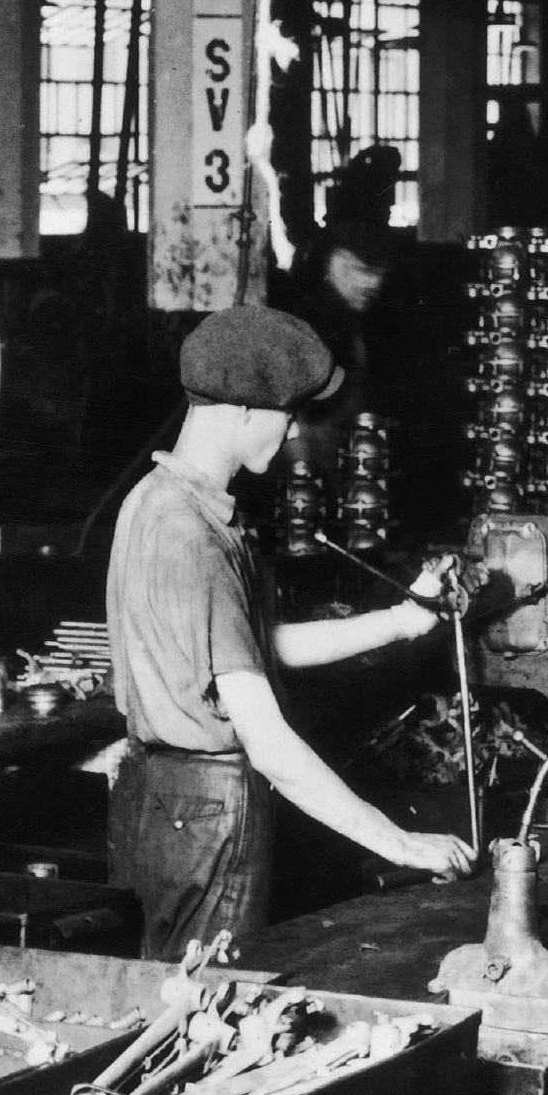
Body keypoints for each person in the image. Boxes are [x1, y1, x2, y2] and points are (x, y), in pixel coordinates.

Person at [104, 304, 473, 956]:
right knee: (206, 1011)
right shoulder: (196, 538)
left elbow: (255, 648)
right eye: (288, 411)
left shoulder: (155, 503)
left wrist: (400, 621)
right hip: (210, 805)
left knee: (165, 1004)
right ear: (245, 409)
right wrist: (400, 842)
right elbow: (268, 741)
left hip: (159, 798)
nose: (294, 428)